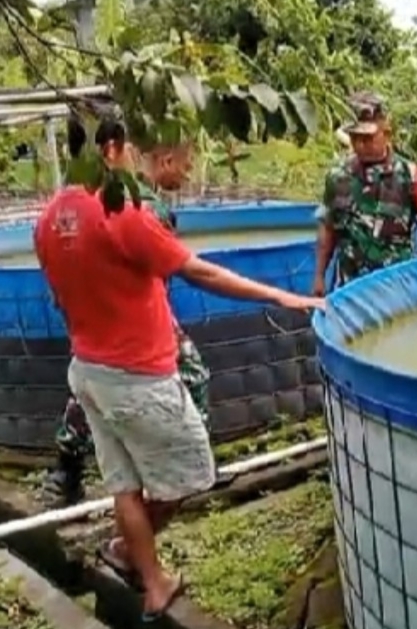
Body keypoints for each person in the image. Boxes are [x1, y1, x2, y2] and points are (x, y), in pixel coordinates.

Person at [34, 118, 324, 621]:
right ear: (110, 149)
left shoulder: (48, 218)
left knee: (124, 484)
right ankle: (137, 560)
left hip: (89, 372)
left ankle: (150, 579)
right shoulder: (122, 210)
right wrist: (280, 294)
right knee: (191, 475)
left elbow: (62, 296)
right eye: (127, 149)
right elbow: (198, 270)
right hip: (139, 377)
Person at [44, 120, 211, 508]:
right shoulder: (143, 206)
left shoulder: (73, 202)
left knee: (92, 387)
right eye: (185, 167)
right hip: (130, 318)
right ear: (165, 160)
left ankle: (66, 469)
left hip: (92, 318)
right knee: (191, 372)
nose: (186, 176)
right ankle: (182, 468)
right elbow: (170, 270)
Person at [313, 92, 417, 295]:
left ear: (386, 133)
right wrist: (318, 276)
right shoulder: (337, 178)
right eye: (355, 138)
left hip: (397, 287)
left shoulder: (410, 174)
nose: (361, 145)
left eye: (368, 138)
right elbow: (328, 229)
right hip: (351, 290)